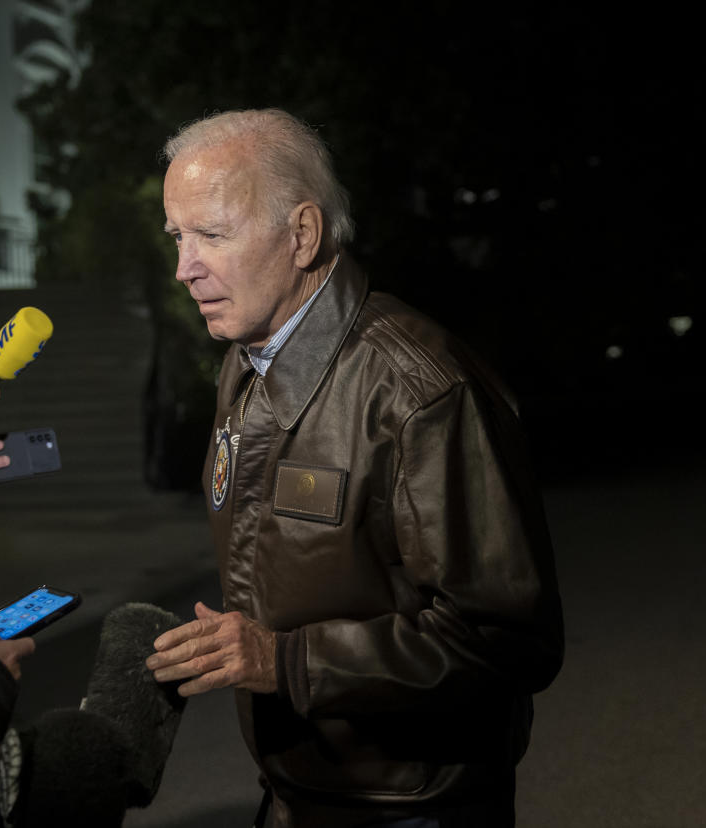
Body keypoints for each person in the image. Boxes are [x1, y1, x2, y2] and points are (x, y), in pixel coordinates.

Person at [145, 109, 563, 827]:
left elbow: (507, 640)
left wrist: (283, 662)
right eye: (179, 238)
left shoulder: (421, 390)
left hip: (410, 802)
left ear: (301, 234)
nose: (185, 268)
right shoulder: (242, 361)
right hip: (298, 792)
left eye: (211, 235)